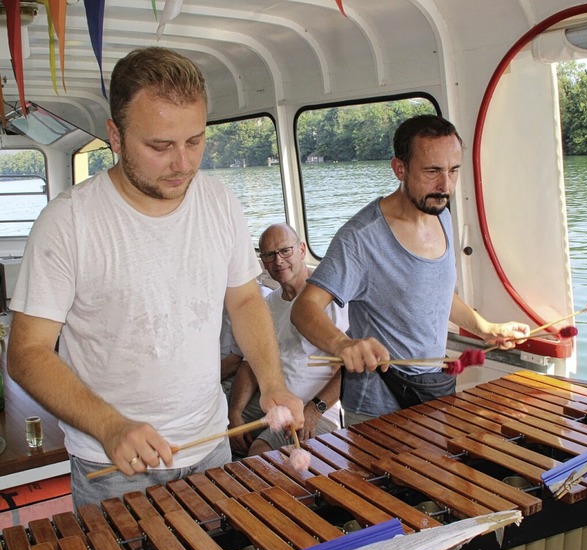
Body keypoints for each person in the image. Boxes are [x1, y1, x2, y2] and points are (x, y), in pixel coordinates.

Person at [6, 47, 303, 509]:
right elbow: (26, 353)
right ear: (116, 137)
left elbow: (244, 301)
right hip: (116, 466)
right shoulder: (68, 222)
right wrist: (109, 425)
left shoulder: (219, 202)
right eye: (160, 146)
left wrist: (273, 383)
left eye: (195, 141)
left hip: (211, 449)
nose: (183, 164)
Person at [290, 114, 530, 426]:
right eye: (432, 171)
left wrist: (486, 328)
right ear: (399, 169)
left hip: (430, 391)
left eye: (453, 171)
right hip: (375, 407)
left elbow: (437, 293)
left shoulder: (440, 212)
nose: (445, 186)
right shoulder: (361, 238)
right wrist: (342, 344)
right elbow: (304, 307)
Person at [228, 223, 348, 456]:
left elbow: (350, 369)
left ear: (302, 250)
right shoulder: (267, 306)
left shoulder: (332, 300)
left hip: (314, 408)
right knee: (215, 437)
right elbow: (250, 364)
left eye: (285, 251)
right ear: (263, 262)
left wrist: (316, 409)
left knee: (260, 453)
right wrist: (235, 412)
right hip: (270, 403)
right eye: (270, 255)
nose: (279, 261)